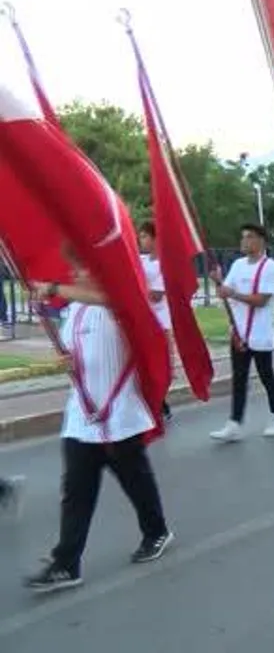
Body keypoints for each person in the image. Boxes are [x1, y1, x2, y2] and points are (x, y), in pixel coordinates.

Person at [24, 246, 174, 593]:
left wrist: (54, 289)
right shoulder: (74, 312)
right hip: (81, 416)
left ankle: (157, 531)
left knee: (135, 482)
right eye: (72, 270)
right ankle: (66, 563)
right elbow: (79, 357)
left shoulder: (121, 304)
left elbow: (112, 299)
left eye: (81, 269)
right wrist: (66, 363)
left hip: (119, 414)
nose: (73, 274)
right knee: (75, 490)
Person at [210, 224, 274, 441]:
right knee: (239, 378)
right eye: (242, 237)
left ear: (261, 241)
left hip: (260, 333)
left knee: (266, 376)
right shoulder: (238, 265)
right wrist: (218, 282)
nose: (244, 241)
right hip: (239, 333)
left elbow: (261, 300)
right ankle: (234, 423)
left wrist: (232, 293)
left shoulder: (270, 267)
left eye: (250, 237)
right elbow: (226, 291)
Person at [138, 222, 174, 422]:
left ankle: (160, 405)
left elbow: (156, 295)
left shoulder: (163, 264)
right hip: (143, 322)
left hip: (161, 323)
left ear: (155, 238)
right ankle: (158, 405)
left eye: (144, 236)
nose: (140, 240)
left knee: (161, 367)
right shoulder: (140, 260)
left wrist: (136, 290)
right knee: (144, 367)